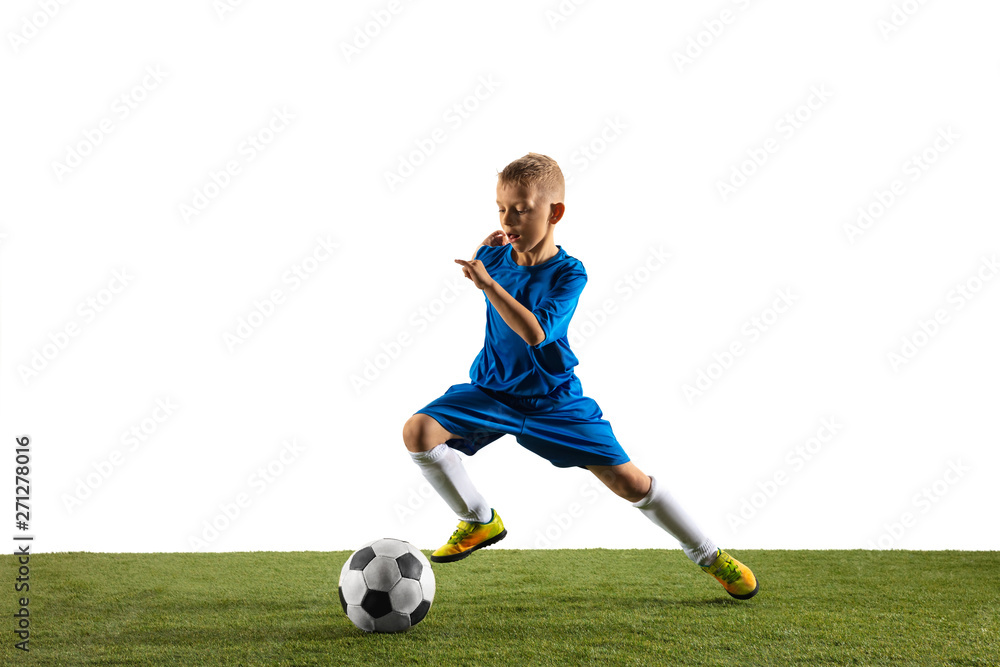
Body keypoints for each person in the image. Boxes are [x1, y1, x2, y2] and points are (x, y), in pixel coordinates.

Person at [402, 152, 757, 599]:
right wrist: (485, 263)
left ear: (555, 212)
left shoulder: (570, 273)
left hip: (553, 401)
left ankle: (708, 554)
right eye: (501, 207)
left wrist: (489, 283)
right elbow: (493, 275)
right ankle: (479, 519)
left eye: (522, 208)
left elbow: (534, 333)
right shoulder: (494, 255)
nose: (509, 219)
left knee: (629, 482)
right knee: (418, 431)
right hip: (491, 391)